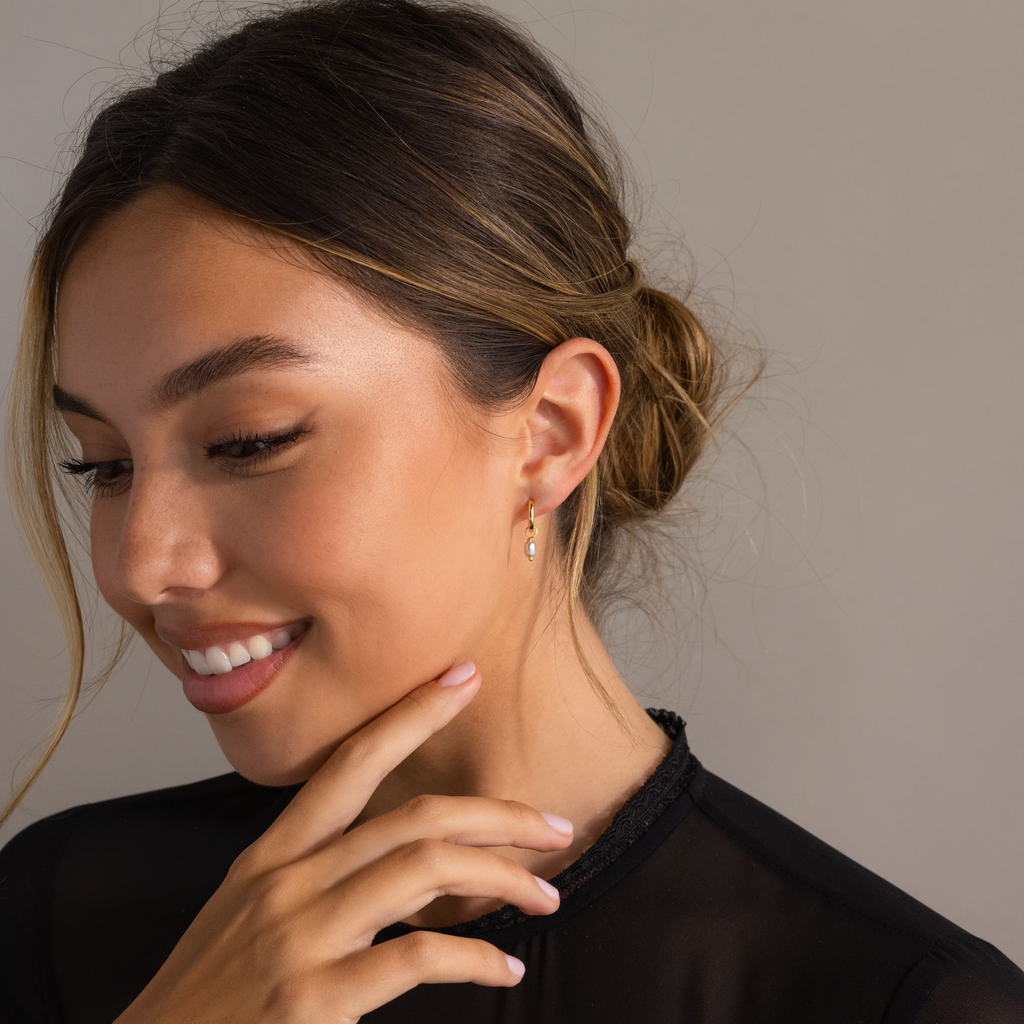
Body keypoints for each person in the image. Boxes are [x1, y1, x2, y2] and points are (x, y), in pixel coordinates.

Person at [0, 1, 1021, 1021]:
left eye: (249, 441)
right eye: (105, 466)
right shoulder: (49, 917)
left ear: (550, 433)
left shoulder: (902, 1004)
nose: (140, 564)